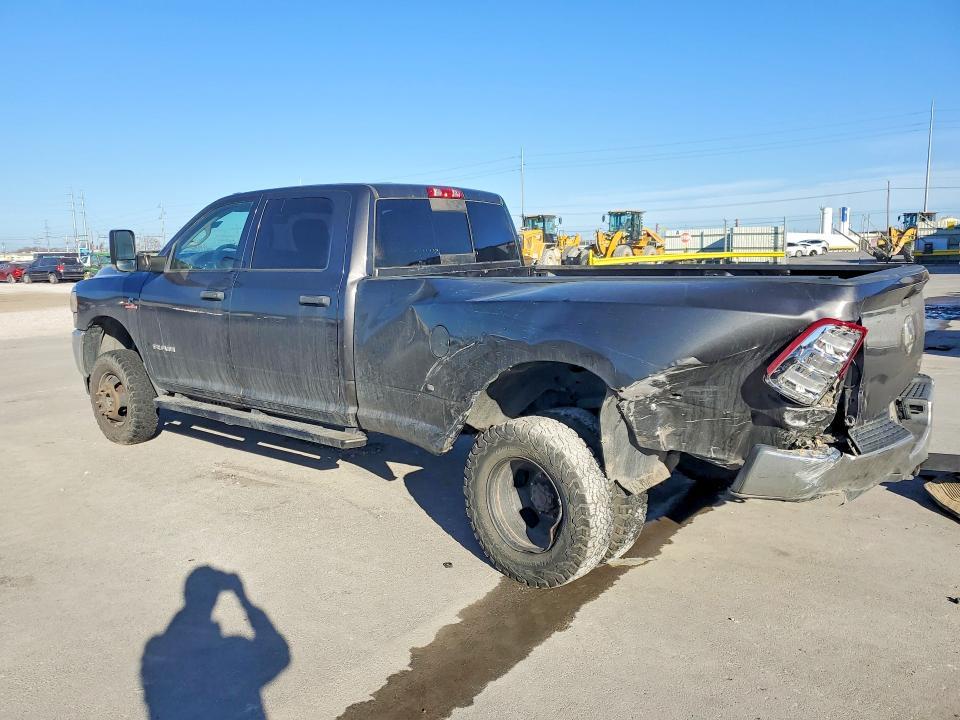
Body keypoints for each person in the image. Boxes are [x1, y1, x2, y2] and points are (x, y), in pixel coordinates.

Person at [141, 566, 290, 720]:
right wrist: (243, 599)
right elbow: (279, 653)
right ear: (214, 600)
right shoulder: (234, 654)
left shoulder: (156, 652)